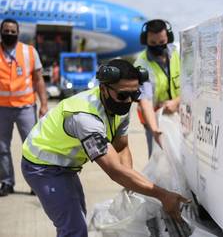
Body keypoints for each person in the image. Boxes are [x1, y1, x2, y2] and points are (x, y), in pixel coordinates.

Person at [21, 59, 189, 237]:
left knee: (77, 218)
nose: (130, 101)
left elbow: (121, 146)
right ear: (103, 89)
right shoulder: (85, 118)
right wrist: (162, 195)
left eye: (135, 94)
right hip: (43, 165)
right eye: (124, 95)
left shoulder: (118, 107)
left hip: (66, 166)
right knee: (74, 229)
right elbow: (114, 171)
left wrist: (130, 180)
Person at [0, 18, 48, 196]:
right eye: (6, 30)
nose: (10, 34)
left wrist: (43, 104)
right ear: (1, 31)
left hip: (25, 108)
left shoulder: (29, 51)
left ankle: (35, 183)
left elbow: (39, 79)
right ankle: (6, 182)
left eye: (13, 31)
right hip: (1, 108)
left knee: (32, 146)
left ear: (18, 33)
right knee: (2, 148)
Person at [134, 19, 181, 157]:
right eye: (153, 43)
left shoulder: (177, 54)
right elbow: (145, 100)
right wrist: (155, 130)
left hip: (179, 114)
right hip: (154, 119)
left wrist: (176, 102)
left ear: (168, 38)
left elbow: (191, 84)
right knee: (158, 158)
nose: (158, 47)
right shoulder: (142, 65)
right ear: (145, 40)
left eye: (161, 42)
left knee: (180, 156)